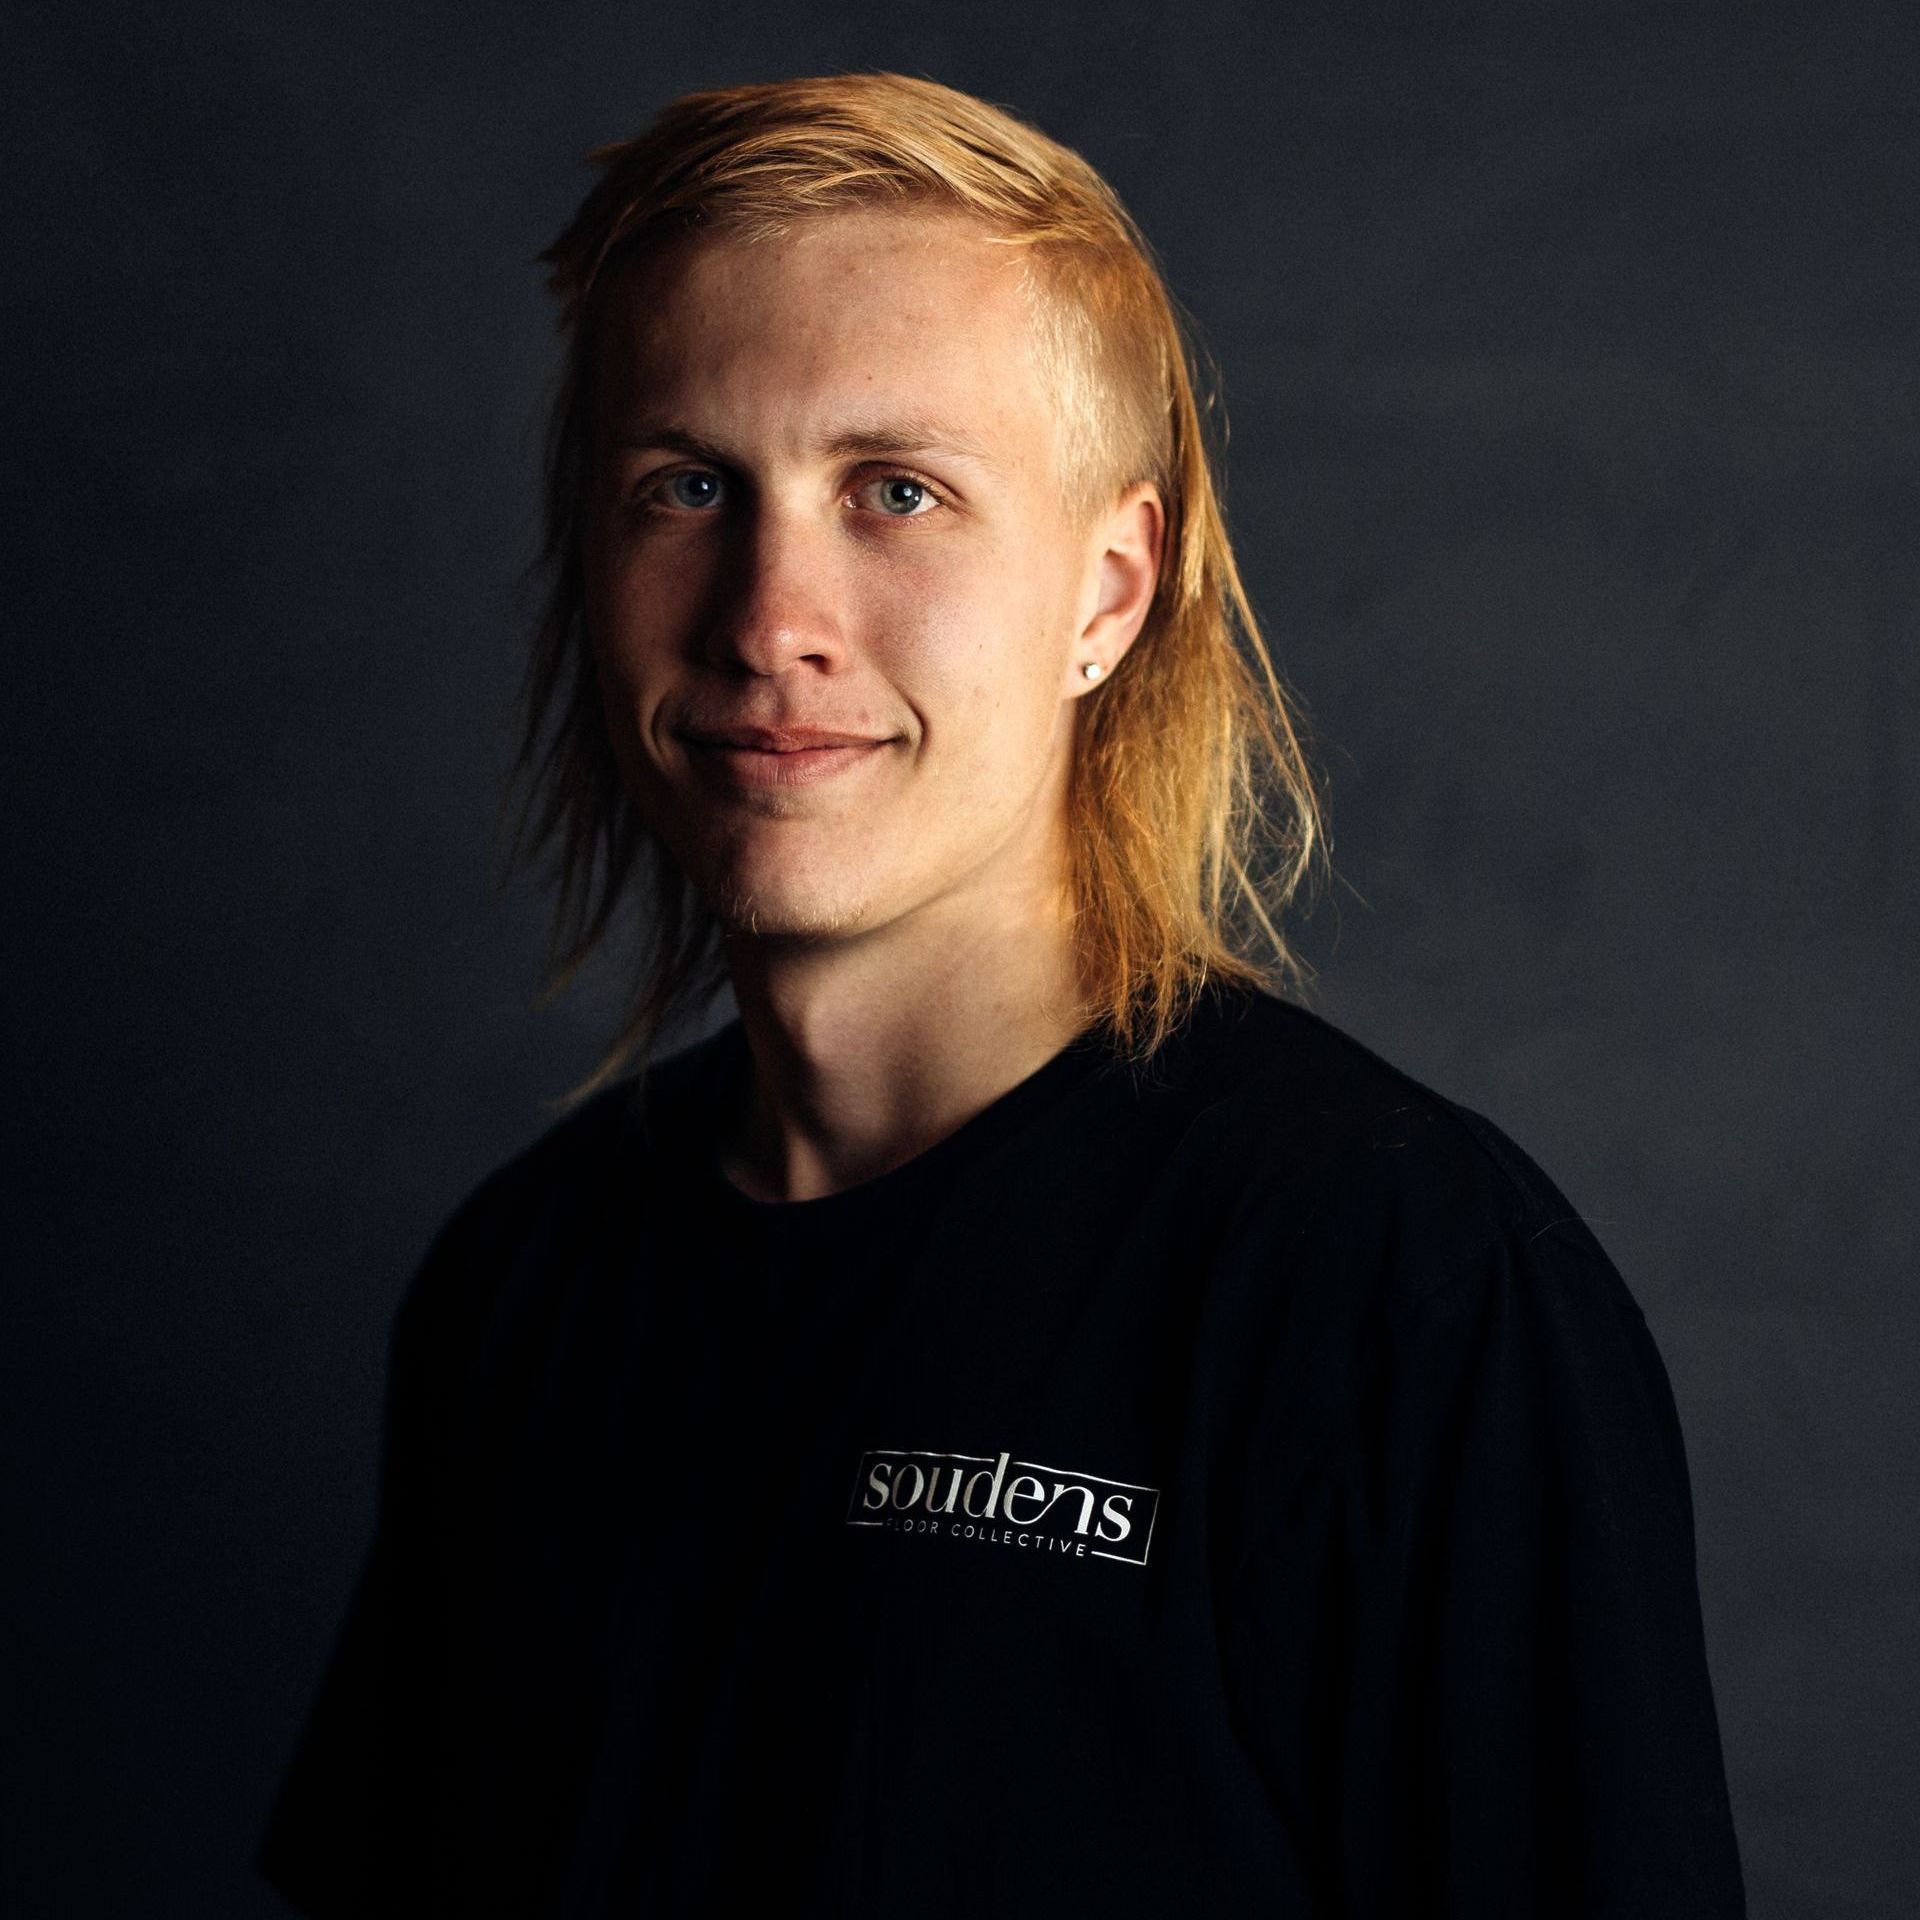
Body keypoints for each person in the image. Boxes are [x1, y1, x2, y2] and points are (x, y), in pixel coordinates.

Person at [257, 72, 1747, 1918]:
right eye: (688, 488)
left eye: (898, 493)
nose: (770, 617)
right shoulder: (518, 1287)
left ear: (1107, 595)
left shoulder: (1395, 1288)